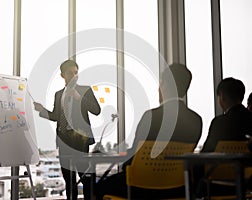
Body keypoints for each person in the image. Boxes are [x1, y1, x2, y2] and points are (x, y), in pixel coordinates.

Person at [95, 63, 202, 199]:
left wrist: (124, 165)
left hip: (140, 187)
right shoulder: (196, 120)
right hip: (176, 188)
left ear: (164, 86)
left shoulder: (151, 117)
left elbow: (134, 155)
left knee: (98, 186)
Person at [33, 59, 101, 200]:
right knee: (69, 180)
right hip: (64, 140)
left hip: (80, 141)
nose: (74, 76)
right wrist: (42, 110)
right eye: (70, 73)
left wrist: (79, 97)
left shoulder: (85, 90)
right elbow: (56, 116)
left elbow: (96, 110)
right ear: (62, 75)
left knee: (85, 178)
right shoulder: (58, 94)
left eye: (76, 73)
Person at [196, 78, 252, 197]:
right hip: (246, 181)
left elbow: (206, 153)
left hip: (218, 183)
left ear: (221, 96)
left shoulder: (220, 122)